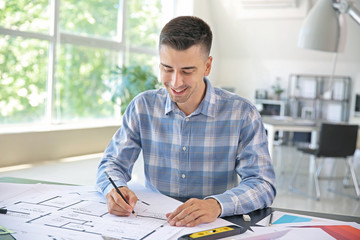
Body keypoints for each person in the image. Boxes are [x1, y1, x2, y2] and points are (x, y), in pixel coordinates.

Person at [97, 16, 276, 227]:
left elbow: (262, 183)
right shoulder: (142, 107)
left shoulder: (243, 113)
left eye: (187, 71)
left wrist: (217, 204)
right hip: (155, 224)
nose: (175, 82)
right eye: (167, 68)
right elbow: (112, 164)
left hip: (214, 225)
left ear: (207, 66)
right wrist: (115, 189)